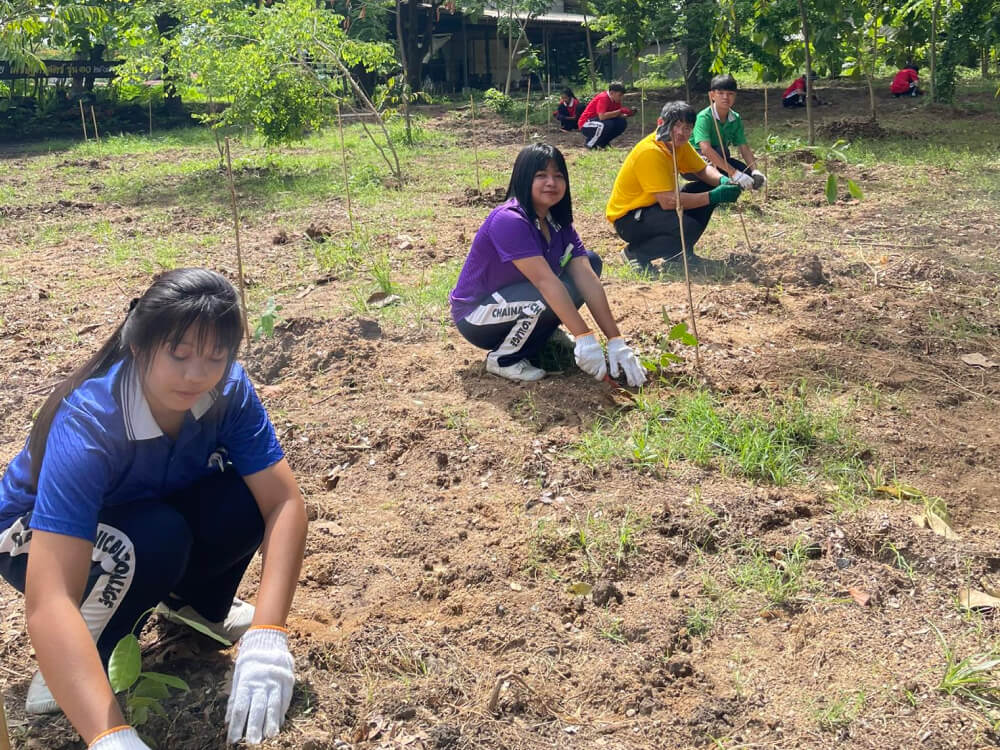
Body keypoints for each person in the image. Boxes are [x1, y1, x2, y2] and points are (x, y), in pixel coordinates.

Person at [0, 269, 308, 748]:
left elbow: (283, 502)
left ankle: (197, 607)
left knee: (240, 498)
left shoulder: (227, 393)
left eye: (216, 356)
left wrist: (269, 633)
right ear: (140, 345)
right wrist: (109, 736)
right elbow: (50, 596)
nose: (196, 374)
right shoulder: (88, 423)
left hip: (140, 507)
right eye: (179, 354)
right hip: (32, 538)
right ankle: (82, 653)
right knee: (154, 538)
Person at [450, 143, 646, 387]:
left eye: (558, 175)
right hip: (476, 315)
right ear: (523, 179)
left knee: (591, 263)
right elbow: (545, 283)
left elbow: (586, 276)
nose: (551, 182)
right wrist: (584, 336)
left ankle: (542, 335)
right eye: (541, 175)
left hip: (516, 298)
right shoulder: (509, 219)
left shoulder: (557, 222)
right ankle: (504, 358)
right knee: (545, 294)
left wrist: (616, 340)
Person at [608, 101, 743, 273]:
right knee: (688, 226)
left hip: (652, 208)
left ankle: (678, 254)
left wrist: (723, 181)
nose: (680, 132)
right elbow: (668, 201)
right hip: (630, 219)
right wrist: (714, 196)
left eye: (687, 128)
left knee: (701, 188)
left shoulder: (679, 145)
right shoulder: (650, 152)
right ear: (660, 123)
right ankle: (636, 253)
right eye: (676, 125)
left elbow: (701, 170)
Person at [689, 74, 767, 191]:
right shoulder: (704, 117)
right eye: (720, 93)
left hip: (720, 156)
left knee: (749, 175)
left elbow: (743, 147)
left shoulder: (735, 118)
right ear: (712, 95)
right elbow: (706, 149)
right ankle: (700, 190)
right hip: (696, 160)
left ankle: (724, 188)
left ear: (735, 96)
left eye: (730, 94)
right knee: (722, 154)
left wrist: (755, 170)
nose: (726, 97)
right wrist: (733, 172)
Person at [578, 82, 635, 149]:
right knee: (607, 124)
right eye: (620, 95)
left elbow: (616, 115)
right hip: (586, 124)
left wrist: (629, 113)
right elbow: (602, 116)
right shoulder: (603, 98)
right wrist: (620, 111)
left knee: (621, 123)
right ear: (612, 93)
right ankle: (590, 144)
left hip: (599, 122)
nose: (621, 98)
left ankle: (603, 143)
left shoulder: (615, 100)